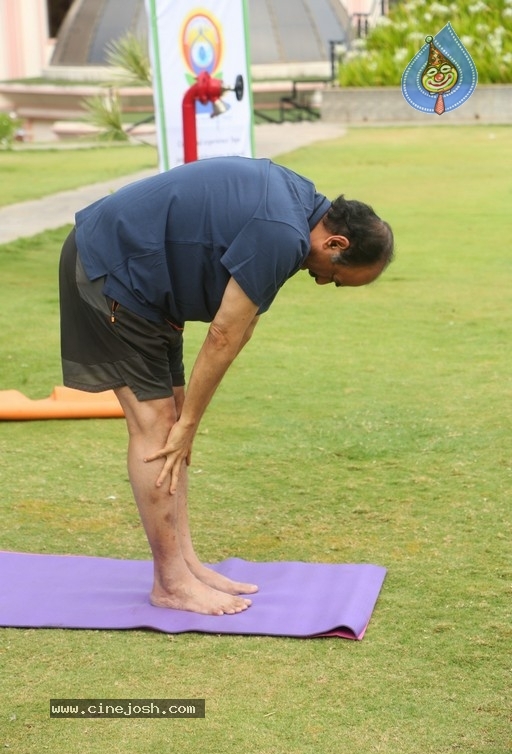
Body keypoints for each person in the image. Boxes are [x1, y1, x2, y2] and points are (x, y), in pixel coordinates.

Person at [59, 156, 394, 617]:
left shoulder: (297, 205)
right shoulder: (284, 232)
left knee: (173, 419)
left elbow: (244, 321)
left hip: (148, 284)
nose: (322, 281)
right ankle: (170, 583)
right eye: (334, 275)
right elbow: (222, 334)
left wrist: (190, 418)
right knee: (159, 427)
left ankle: (185, 563)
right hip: (113, 268)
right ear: (335, 241)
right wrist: (189, 424)